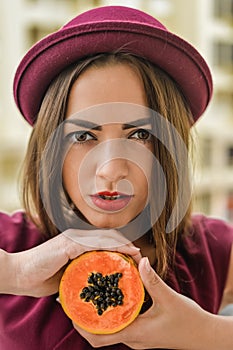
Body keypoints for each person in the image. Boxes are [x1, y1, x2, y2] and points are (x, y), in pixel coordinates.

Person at [1, 5, 233, 350]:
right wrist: (16, 272)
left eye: (140, 135)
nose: (110, 169)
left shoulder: (214, 250)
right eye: (82, 137)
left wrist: (208, 333)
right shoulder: (10, 244)